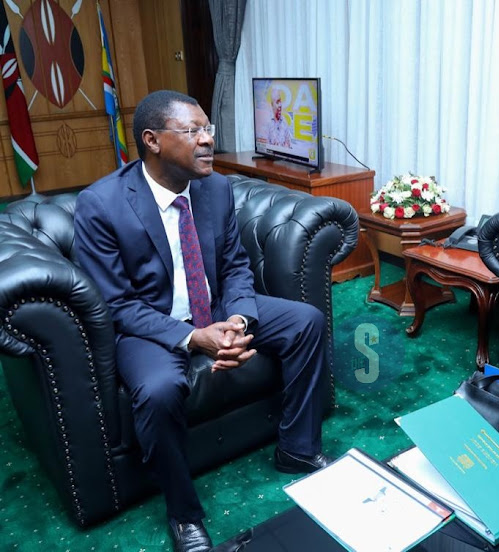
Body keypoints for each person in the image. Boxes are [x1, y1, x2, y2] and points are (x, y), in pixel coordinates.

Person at [74, 90, 332, 552]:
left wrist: (235, 320)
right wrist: (194, 337)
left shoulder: (215, 188)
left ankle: (296, 447)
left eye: (208, 129)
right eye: (192, 131)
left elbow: (234, 264)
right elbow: (116, 304)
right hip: (149, 323)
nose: (207, 140)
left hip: (214, 307)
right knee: (157, 391)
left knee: (306, 321)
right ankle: (183, 514)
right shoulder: (102, 204)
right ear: (152, 140)